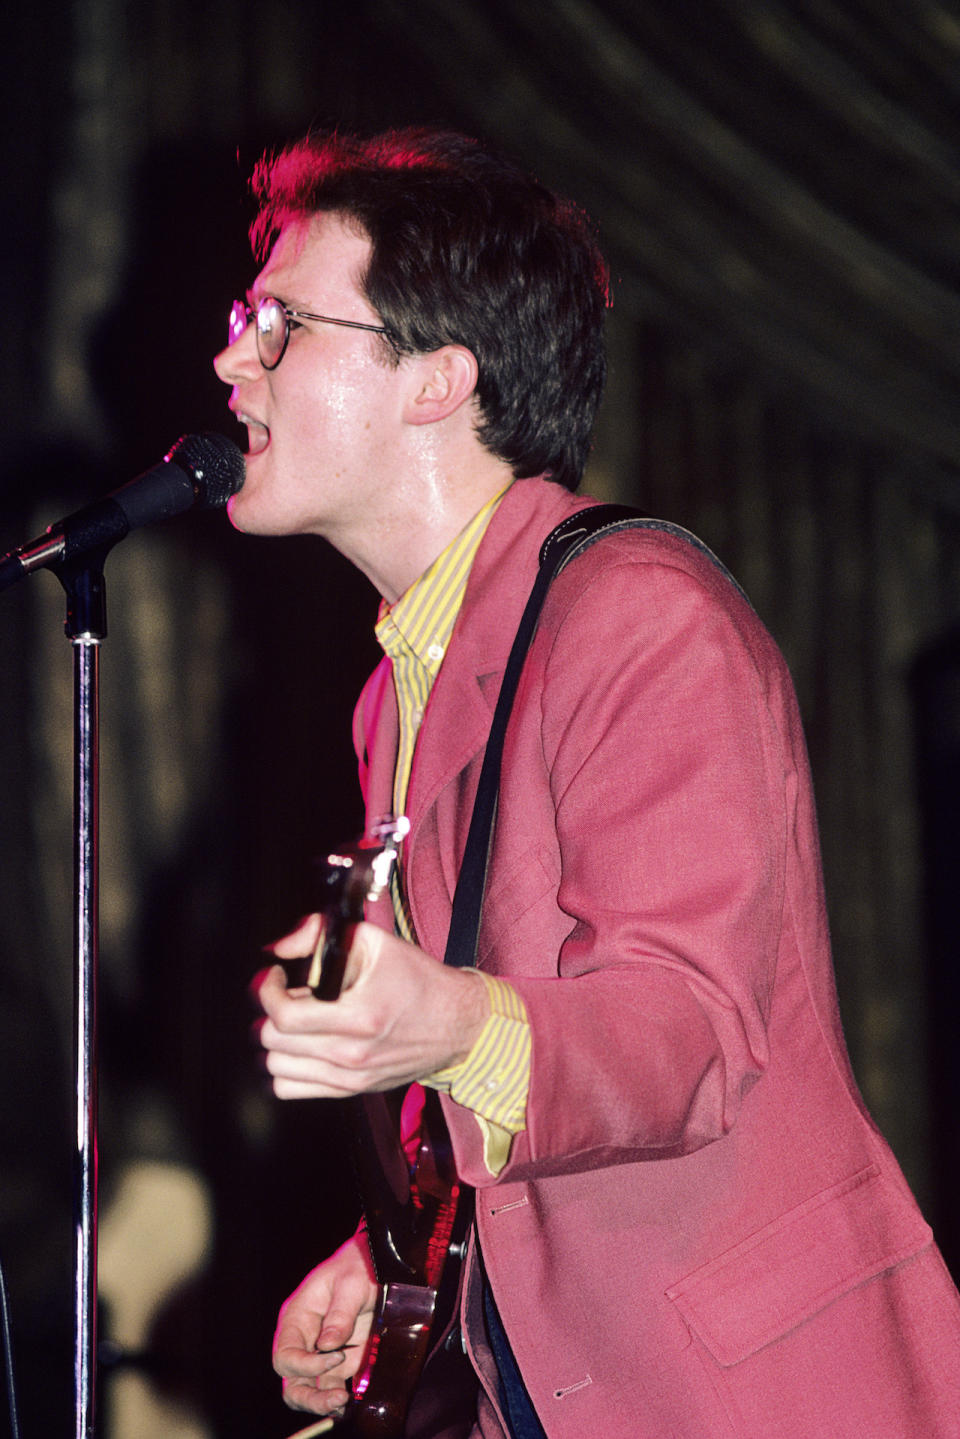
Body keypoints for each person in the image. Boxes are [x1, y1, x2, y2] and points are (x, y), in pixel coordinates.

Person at [214, 127, 960, 1439]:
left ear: (438, 378)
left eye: (281, 325)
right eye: (243, 319)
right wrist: (400, 1262)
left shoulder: (638, 614)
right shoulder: (401, 683)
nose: (231, 359)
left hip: (765, 1397)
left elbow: (687, 1034)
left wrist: (435, 1023)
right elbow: (520, 1060)